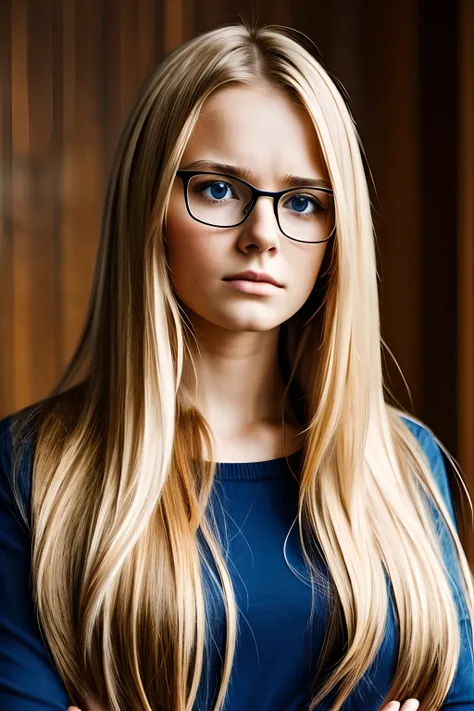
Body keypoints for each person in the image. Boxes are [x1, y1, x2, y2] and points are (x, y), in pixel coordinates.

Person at [0, 21, 473, 711]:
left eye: (305, 202)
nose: (263, 235)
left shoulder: (400, 460)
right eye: (219, 189)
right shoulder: (33, 470)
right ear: (148, 202)